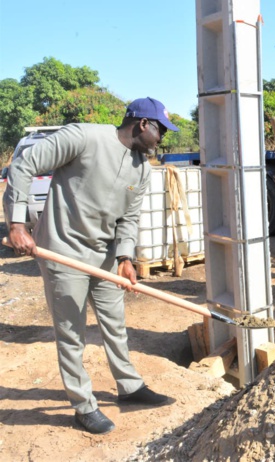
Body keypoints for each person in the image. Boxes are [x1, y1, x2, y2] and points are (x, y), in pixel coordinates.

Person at [5, 97, 179, 434]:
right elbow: (23, 165)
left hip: (105, 256)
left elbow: (129, 218)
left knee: (115, 324)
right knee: (71, 332)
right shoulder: (83, 137)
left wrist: (126, 257)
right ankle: (83, 405)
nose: (162, 139)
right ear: (142, 124)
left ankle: (129, 387)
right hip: (62, 251)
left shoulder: (141, 168)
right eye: (160, 130)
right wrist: (16, 223)